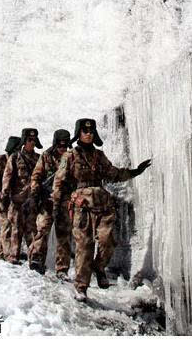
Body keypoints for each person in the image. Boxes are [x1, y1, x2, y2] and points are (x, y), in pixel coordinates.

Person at [52, 118, 151, 301]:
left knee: (108, 241)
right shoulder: (70, 156)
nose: (88, 134)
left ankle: (99, 267)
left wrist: (136, 171)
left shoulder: (99, 156)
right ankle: (81, 286)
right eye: (84, 131)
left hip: (103, 205)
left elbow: (114, 174)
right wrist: (57, 206)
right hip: (82, 207)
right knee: (84, 246)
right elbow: (59, 181)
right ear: (78, 133)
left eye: (91, 131)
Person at [28, 129, 71, 276]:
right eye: (60, 145)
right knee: (42, 230)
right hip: (47, 201)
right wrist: (35, 193)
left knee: (64, 235)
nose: (62, 148)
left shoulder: (72, 157)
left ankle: (62, 269)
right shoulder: (46, 156)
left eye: (65, 146)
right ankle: (36, 260)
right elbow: (36, 176)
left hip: (65, 202)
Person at [2, 128, 42, 264]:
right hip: (17, 200)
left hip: (32, 201)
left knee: (32, 231)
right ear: (24, 141)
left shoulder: (39, 159)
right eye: (29, 140)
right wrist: (5, 193)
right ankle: (13, 258)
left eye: (34, 140)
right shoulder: (15, 157)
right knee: (16, 230)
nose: (32, 142)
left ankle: (34, 260)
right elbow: (7, 176)